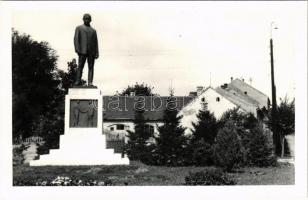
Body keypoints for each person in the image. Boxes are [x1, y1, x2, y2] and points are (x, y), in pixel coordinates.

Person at [74, 13, 99, 86]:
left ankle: (90, 82)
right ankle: (78, 81)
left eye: (88, 19)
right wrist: (77, 49)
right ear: (83, 19)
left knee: (91, 67)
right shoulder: (79, 28)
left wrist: (97, 52)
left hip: (92, 51)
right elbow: (76, 39)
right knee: (80, 66)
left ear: (90, 20)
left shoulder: (93, 31)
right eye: (85, 18)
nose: (87, 20)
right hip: (82, 51)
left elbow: (96, 42)